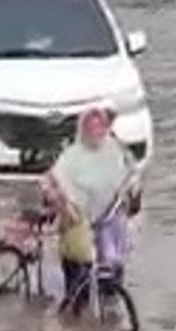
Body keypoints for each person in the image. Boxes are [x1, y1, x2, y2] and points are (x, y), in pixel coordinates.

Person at [44, 108, 136, 307]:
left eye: (100, 127)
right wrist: (67, 200)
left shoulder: (114, 149)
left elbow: (130, 173)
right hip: (78, 217)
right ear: (83, 130)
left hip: (109, 214)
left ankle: (111, 306)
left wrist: (129, 190)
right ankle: (74, 307)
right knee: (79, 275)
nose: (97, 132)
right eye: (91, 127)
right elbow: (57, 176)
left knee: (112, 263)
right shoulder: (72, 156)